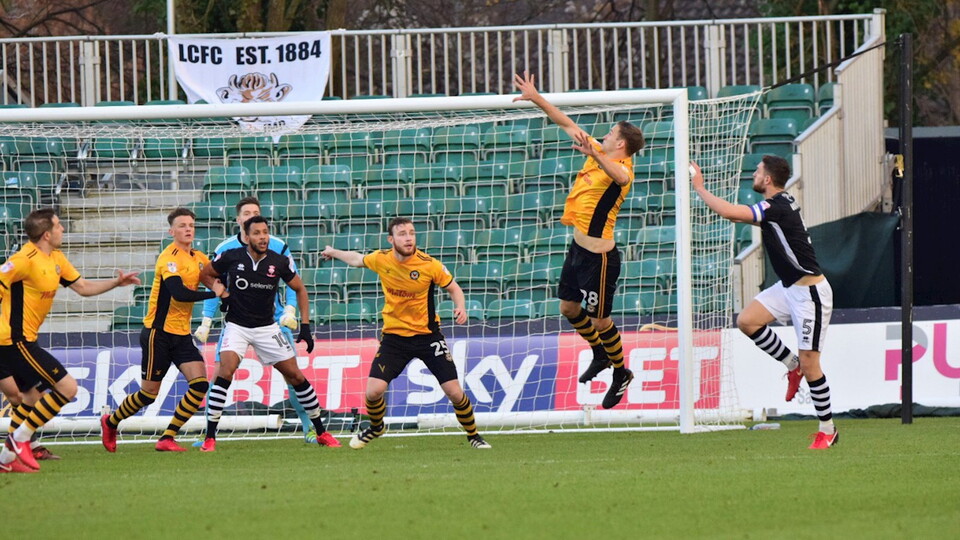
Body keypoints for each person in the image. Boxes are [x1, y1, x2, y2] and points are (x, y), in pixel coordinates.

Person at [513, 70, 645, 408]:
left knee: (600, 320)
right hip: (577, 250)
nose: (604, 135)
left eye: (610, 133)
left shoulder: (623, 170)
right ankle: (599, 354)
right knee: (568, 308)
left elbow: (618, 176)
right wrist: (537, 98)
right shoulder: (596, 149)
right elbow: (566, 122)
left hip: (600, 259)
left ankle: (621, 372)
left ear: (621, 144)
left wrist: (596, 154)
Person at [690, 155, 838, 449]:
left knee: (812, 365)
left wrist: (700, 188)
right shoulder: (778, 203)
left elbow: (730, 213)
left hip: (810, 294)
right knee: (747, 321)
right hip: (789, 287)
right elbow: (738, 217)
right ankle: (792, 365)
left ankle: (828, 430)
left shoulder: (776, 207)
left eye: (757, 171)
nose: (754, 174)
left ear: (768, 179)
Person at [321, 217, 491, 450]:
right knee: (373, 392)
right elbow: (357, 259)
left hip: (428, 337)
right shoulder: (381, 259)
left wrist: (460, 306)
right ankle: (377, 427)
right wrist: (333, 252)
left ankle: (474, 435)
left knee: (454, 392)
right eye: (402, 234)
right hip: (394, 338)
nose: (409, 238)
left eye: (411, 233)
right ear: (391, 239)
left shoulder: (429, 264)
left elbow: (454, 288)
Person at [0, 209, 140, 473]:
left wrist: (116, 282)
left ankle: (5, 460)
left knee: (30, 396)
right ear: (46, 234)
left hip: (26, 339)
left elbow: (83, 287)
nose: (63, 229)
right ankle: (19, 439)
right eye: (58, 226)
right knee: (67, 388)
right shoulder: (23, 260)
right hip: (14, 340)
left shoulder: (56, 258)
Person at [198, 216, 340, 450]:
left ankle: (321, 432)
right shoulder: (231, 256)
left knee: (296, 376)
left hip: (267, 328)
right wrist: (221, 293)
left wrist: (305, 326)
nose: (263, 237)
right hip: (237, 326)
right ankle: (210, 437)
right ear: (247, 236)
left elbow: (300, 289)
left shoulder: (278, 261)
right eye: (257, 233)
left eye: (265, 232)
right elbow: (205, 274)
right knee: (225, 371)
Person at [100, 208, 227, 452]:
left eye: (191, 225)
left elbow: (216, 276)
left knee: (200, 385)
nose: (188, 229)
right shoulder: (168, 258)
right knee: (149, 394)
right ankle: (111, 421)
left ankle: (167, 437)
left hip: (182, 335)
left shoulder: (199, 258)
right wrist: (214, 293)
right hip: (158, 334)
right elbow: (179, 293)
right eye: (182, 225)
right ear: (171, 231)